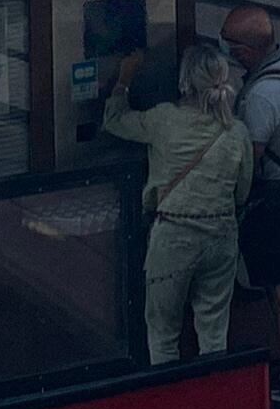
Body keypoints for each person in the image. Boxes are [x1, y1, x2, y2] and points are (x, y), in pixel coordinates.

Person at [102, 39, 252, 361]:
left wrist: (124, 79)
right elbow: (242, 191)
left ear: (184, 82)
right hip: (222, 235)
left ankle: (172, 405)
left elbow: (114, 120)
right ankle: (215, 400)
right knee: (214, 333)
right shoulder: (237, 132)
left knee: (162, 332)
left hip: (173, 236)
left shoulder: (163, 120)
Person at [222, 2, 280, 365]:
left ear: (247, 51)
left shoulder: (260, 98)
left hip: (272, 206)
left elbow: (249, 162)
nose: (230, 55)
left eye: (232, 48)